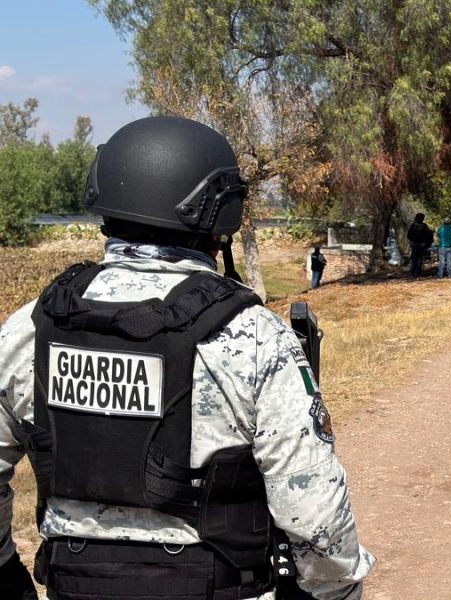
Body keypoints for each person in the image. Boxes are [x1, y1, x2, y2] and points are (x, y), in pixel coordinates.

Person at [0, 116, 374, 600]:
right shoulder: (252, 336)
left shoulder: (31, 326)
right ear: (218, 216)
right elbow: (314, 515)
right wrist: (335, 589)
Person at [406, 213, 433, 277]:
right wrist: (426, 242)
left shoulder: (413, 225)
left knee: (414, 258)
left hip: (414, 244)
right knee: (420, 258)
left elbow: (409, 235)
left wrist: (412, 240)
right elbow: (428, 234)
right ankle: (418, 272)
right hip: (422, 244)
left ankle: (413, 272)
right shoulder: (424, 226)